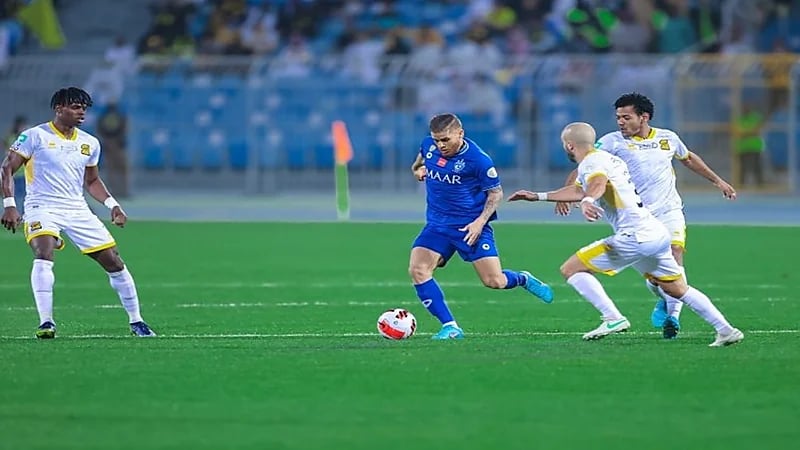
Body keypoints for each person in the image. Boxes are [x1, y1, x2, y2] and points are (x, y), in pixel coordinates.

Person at [509, 122, 743, 347]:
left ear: (569, 145)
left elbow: (597, 184)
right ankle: (726, 330)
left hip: (634, 237)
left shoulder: (592, 163)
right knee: (677, 289)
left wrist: (590, 200)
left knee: (570, 269)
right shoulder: (609, 159)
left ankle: (612, 317)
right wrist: (538, 196)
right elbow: (579, 189)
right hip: (656, 233)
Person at [556, 92, 736, 339]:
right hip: (637, 217)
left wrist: (718, 181)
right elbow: (585, 167)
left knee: (676, 252)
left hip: (668, 210)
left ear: (644, 117)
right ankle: (668, 296)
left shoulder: (667, 138)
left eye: (626, 117)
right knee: (663, 280)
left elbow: (689, 158)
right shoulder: (610, 142)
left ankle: (673, 316)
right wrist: (571, 194)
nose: (620, 122)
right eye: (618, 117)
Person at [0, 87, 156, 339]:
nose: (81, 111)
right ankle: (46, 322)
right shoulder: (34, 136)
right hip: (42, 206)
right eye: (75, 106)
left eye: (84, 107)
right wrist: (9, 204)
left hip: (76, 208)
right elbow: (7, 167)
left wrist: (112, 205)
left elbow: (92, 181)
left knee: (114, 261)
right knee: (43, 251)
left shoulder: (89, 143)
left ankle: (137, 320)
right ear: (58, 108)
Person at [409, 113, 553, 340]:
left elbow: (496, 193)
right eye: (436, 140)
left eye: (445, 140)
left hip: (470, 227)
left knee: (494, 281)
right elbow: (418, 163)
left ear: (460, 134)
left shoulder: (478, 160)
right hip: (437, 225)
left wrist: (479, 222)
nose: (440, 145)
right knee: (418, 270)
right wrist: (418, 170)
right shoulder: (429, 146)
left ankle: (523, 278)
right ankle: (450, 326)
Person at [3, 115, 27, 215]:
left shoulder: (26, 137)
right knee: (15, 196)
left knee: (25, 196)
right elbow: (7, 152)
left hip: (24, 173)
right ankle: (15, 215)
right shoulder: (12, 138)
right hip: (13, 173)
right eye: (22, 126)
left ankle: (23, 216)